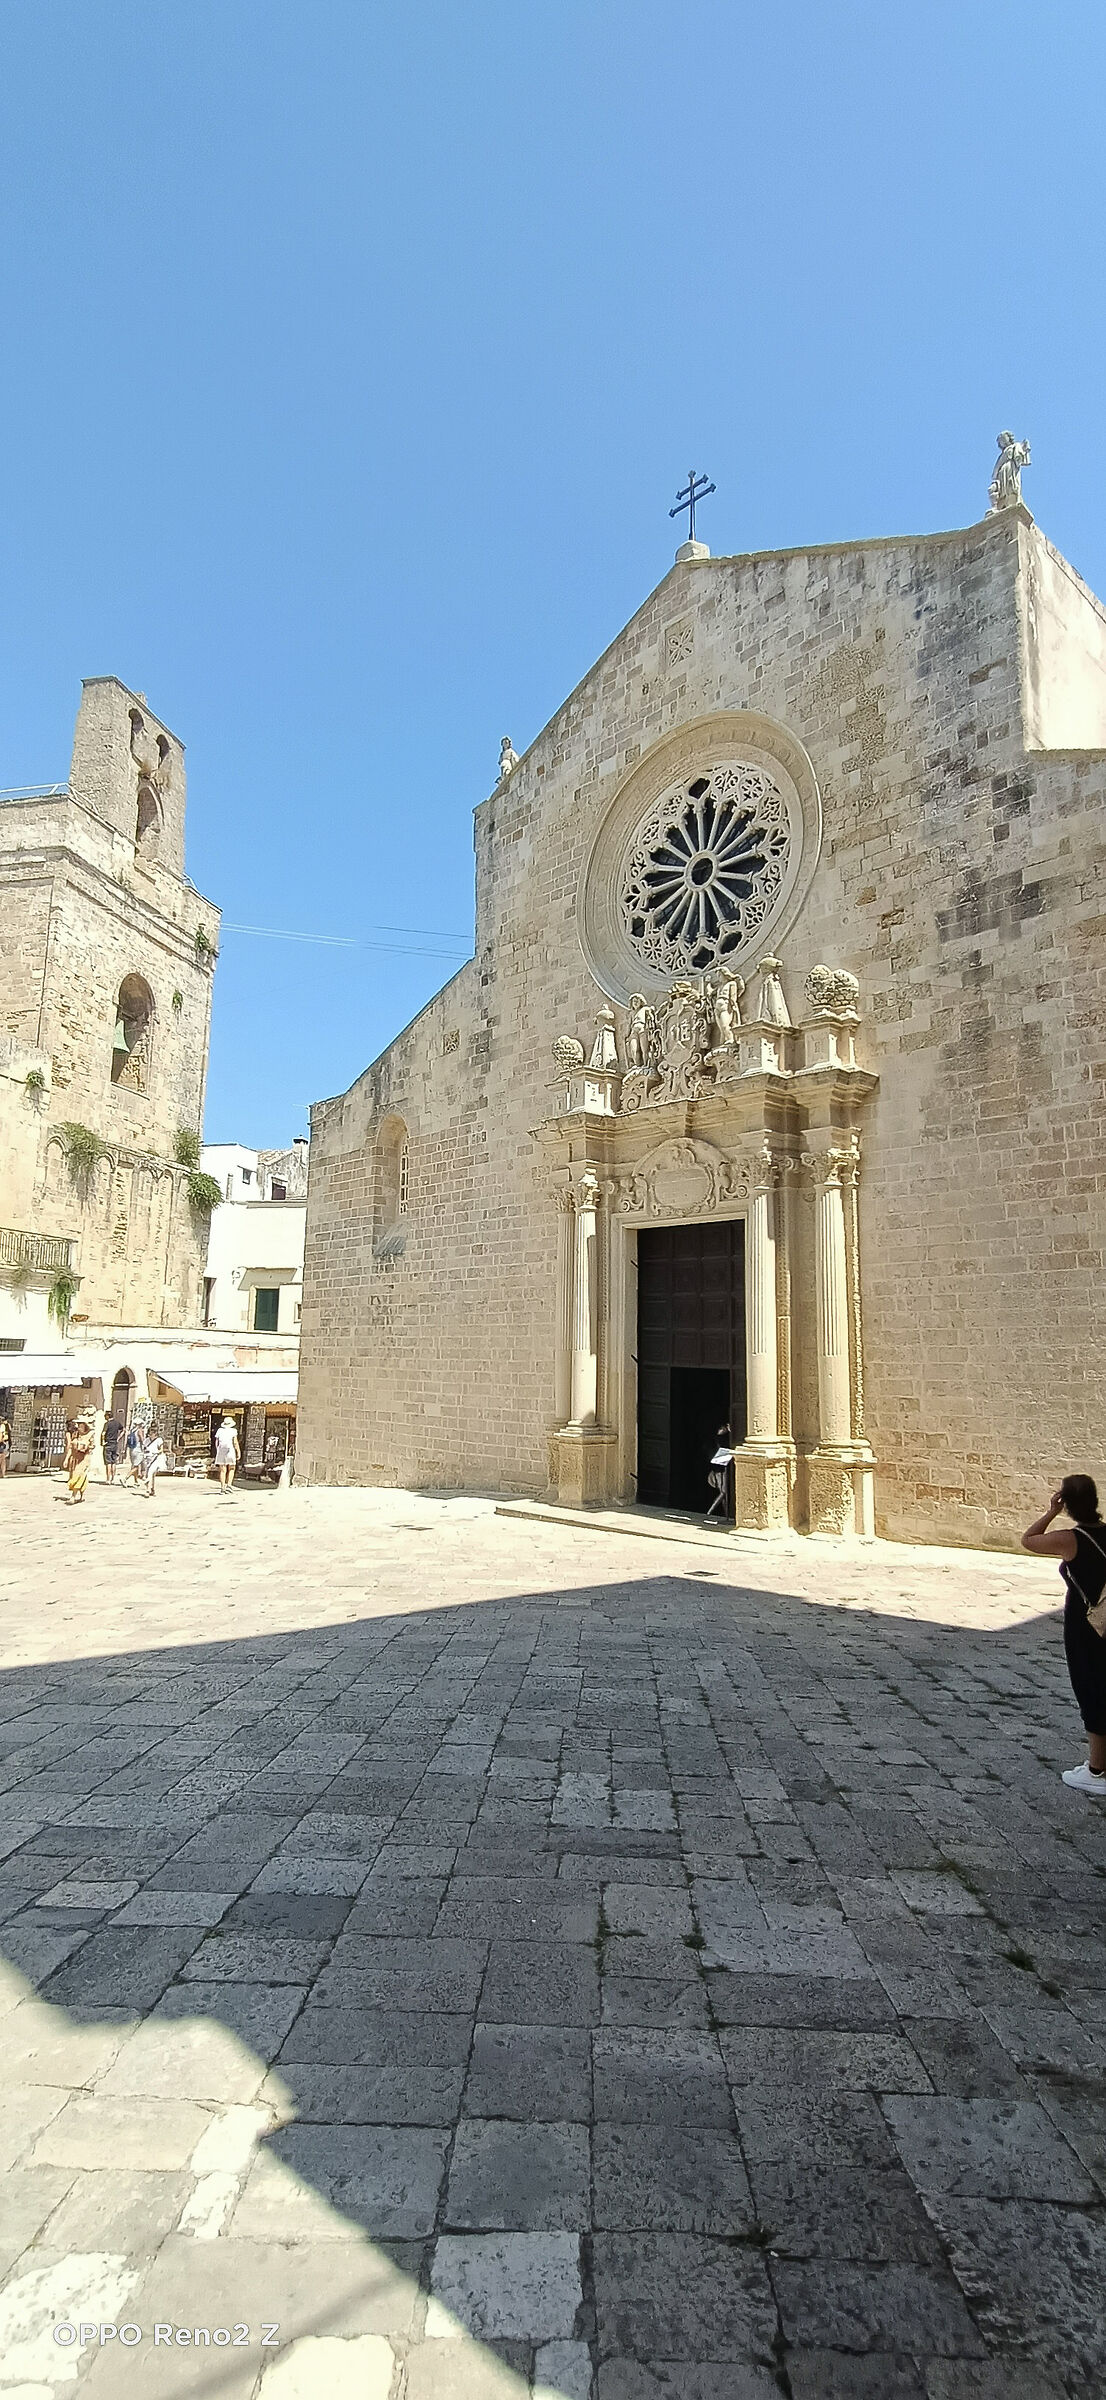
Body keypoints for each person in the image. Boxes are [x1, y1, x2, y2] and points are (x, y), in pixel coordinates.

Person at [1022, 1475, 1106, 1795]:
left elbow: (1028, 1539)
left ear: (1068, 1503)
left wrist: (1051, 1512)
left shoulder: (1071, 1539)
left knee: (1091, 1690)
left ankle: (1097, 1771)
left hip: (1086, 1626)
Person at [64, 1414, 95, 1505]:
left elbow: (93, 1446)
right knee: (76, 1476)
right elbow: (70, 1447)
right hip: (75, 1458)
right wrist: (67, 1459)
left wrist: (86, 1447)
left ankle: (73, 1497)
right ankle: (80, 1494)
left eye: (80, 1424)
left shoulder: (90, 1434)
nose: (78, 1426)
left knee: (78, 1475)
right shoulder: (75, 1434)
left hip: (84, 1459)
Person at [214, 1414, 240, 1494]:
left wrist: (218, 1450)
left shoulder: (219, 1430)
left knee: (222, 1470)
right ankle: (229, 1486)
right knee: (231, 1468)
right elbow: (235, 1442)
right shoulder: (233, 1431)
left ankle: (222, 1488)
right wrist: (238, 1451)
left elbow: (216, 1442)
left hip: (221, 1450)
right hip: (230, 1450)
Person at [123, 1419, 146, 1489]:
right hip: (138, 1449)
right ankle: (125, 1479)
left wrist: (124, 1449)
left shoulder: (131, 1431)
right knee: (136, 1467)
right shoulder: (139, 1431)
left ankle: (136, 1482)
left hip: (131, 1450)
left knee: (135, 1465)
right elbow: (142, 1440)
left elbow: (127, 1441)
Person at [143, 1432, 167, 1498]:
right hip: (148, 1459)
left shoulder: (159, 1440)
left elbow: (161, 1450)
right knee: (151, 1474)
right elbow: (144, 1448)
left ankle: (147, 1491)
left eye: (152, 1434)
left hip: (156, 1459)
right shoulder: (146, 1440)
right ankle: (152, 1489)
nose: (150, 1435)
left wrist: (155, 1452)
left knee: (150, 1473)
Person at [102, 1411, 123, 1483]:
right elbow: (123, 1430)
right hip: (115, 1443)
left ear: (108, 1416)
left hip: (108, 1443)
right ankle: (113, 1479)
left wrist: (102, 1442)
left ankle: (108, 1479)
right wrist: (118, 1438)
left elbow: (103, 1433)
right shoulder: (117, 1423)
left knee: (108, 1462)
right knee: (113, 1461)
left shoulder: (107, 1424)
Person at [0, 1414, 11, 1479]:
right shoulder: (8, 1425)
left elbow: (1, 1435)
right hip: (6, 1443)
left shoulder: (2, 1426)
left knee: (2, 1458)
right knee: (3, 1459)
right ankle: (2, 1473)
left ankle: (2, 1473)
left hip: (2, 1443)